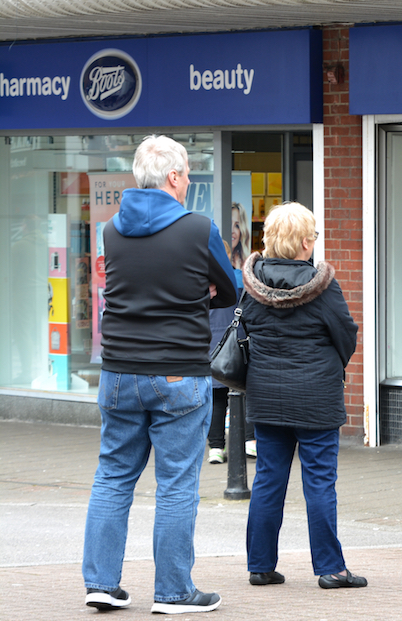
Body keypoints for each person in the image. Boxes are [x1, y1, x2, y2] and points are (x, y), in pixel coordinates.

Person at [83, 134, 237, 614]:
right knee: (175, 482)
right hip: (177, 373)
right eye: (188, 173)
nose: (189, 181)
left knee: (112, 475)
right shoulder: (198, 228)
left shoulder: (111, 230)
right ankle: (173, 592)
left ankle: (101, 584)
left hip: (118, 372)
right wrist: (202, 289)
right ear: (173, 176)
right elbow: (230, 289)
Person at [240, 202, 365, 589]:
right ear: (304, 242)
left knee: (267, 479)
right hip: (316, 398)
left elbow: (245, 332)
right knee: (319, 482)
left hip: (265, 396)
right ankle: (330, 569)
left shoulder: (252, 285)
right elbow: (346, 336)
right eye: (311, 236)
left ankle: (260, 565)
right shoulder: (323, 286)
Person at [206, 237, 253, 465]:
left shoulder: (202, 283)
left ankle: (215, 447)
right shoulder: (241, 279)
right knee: (244, 393)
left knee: (216, 400)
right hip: (237, 344)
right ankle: (249, 441)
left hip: (212, 348)